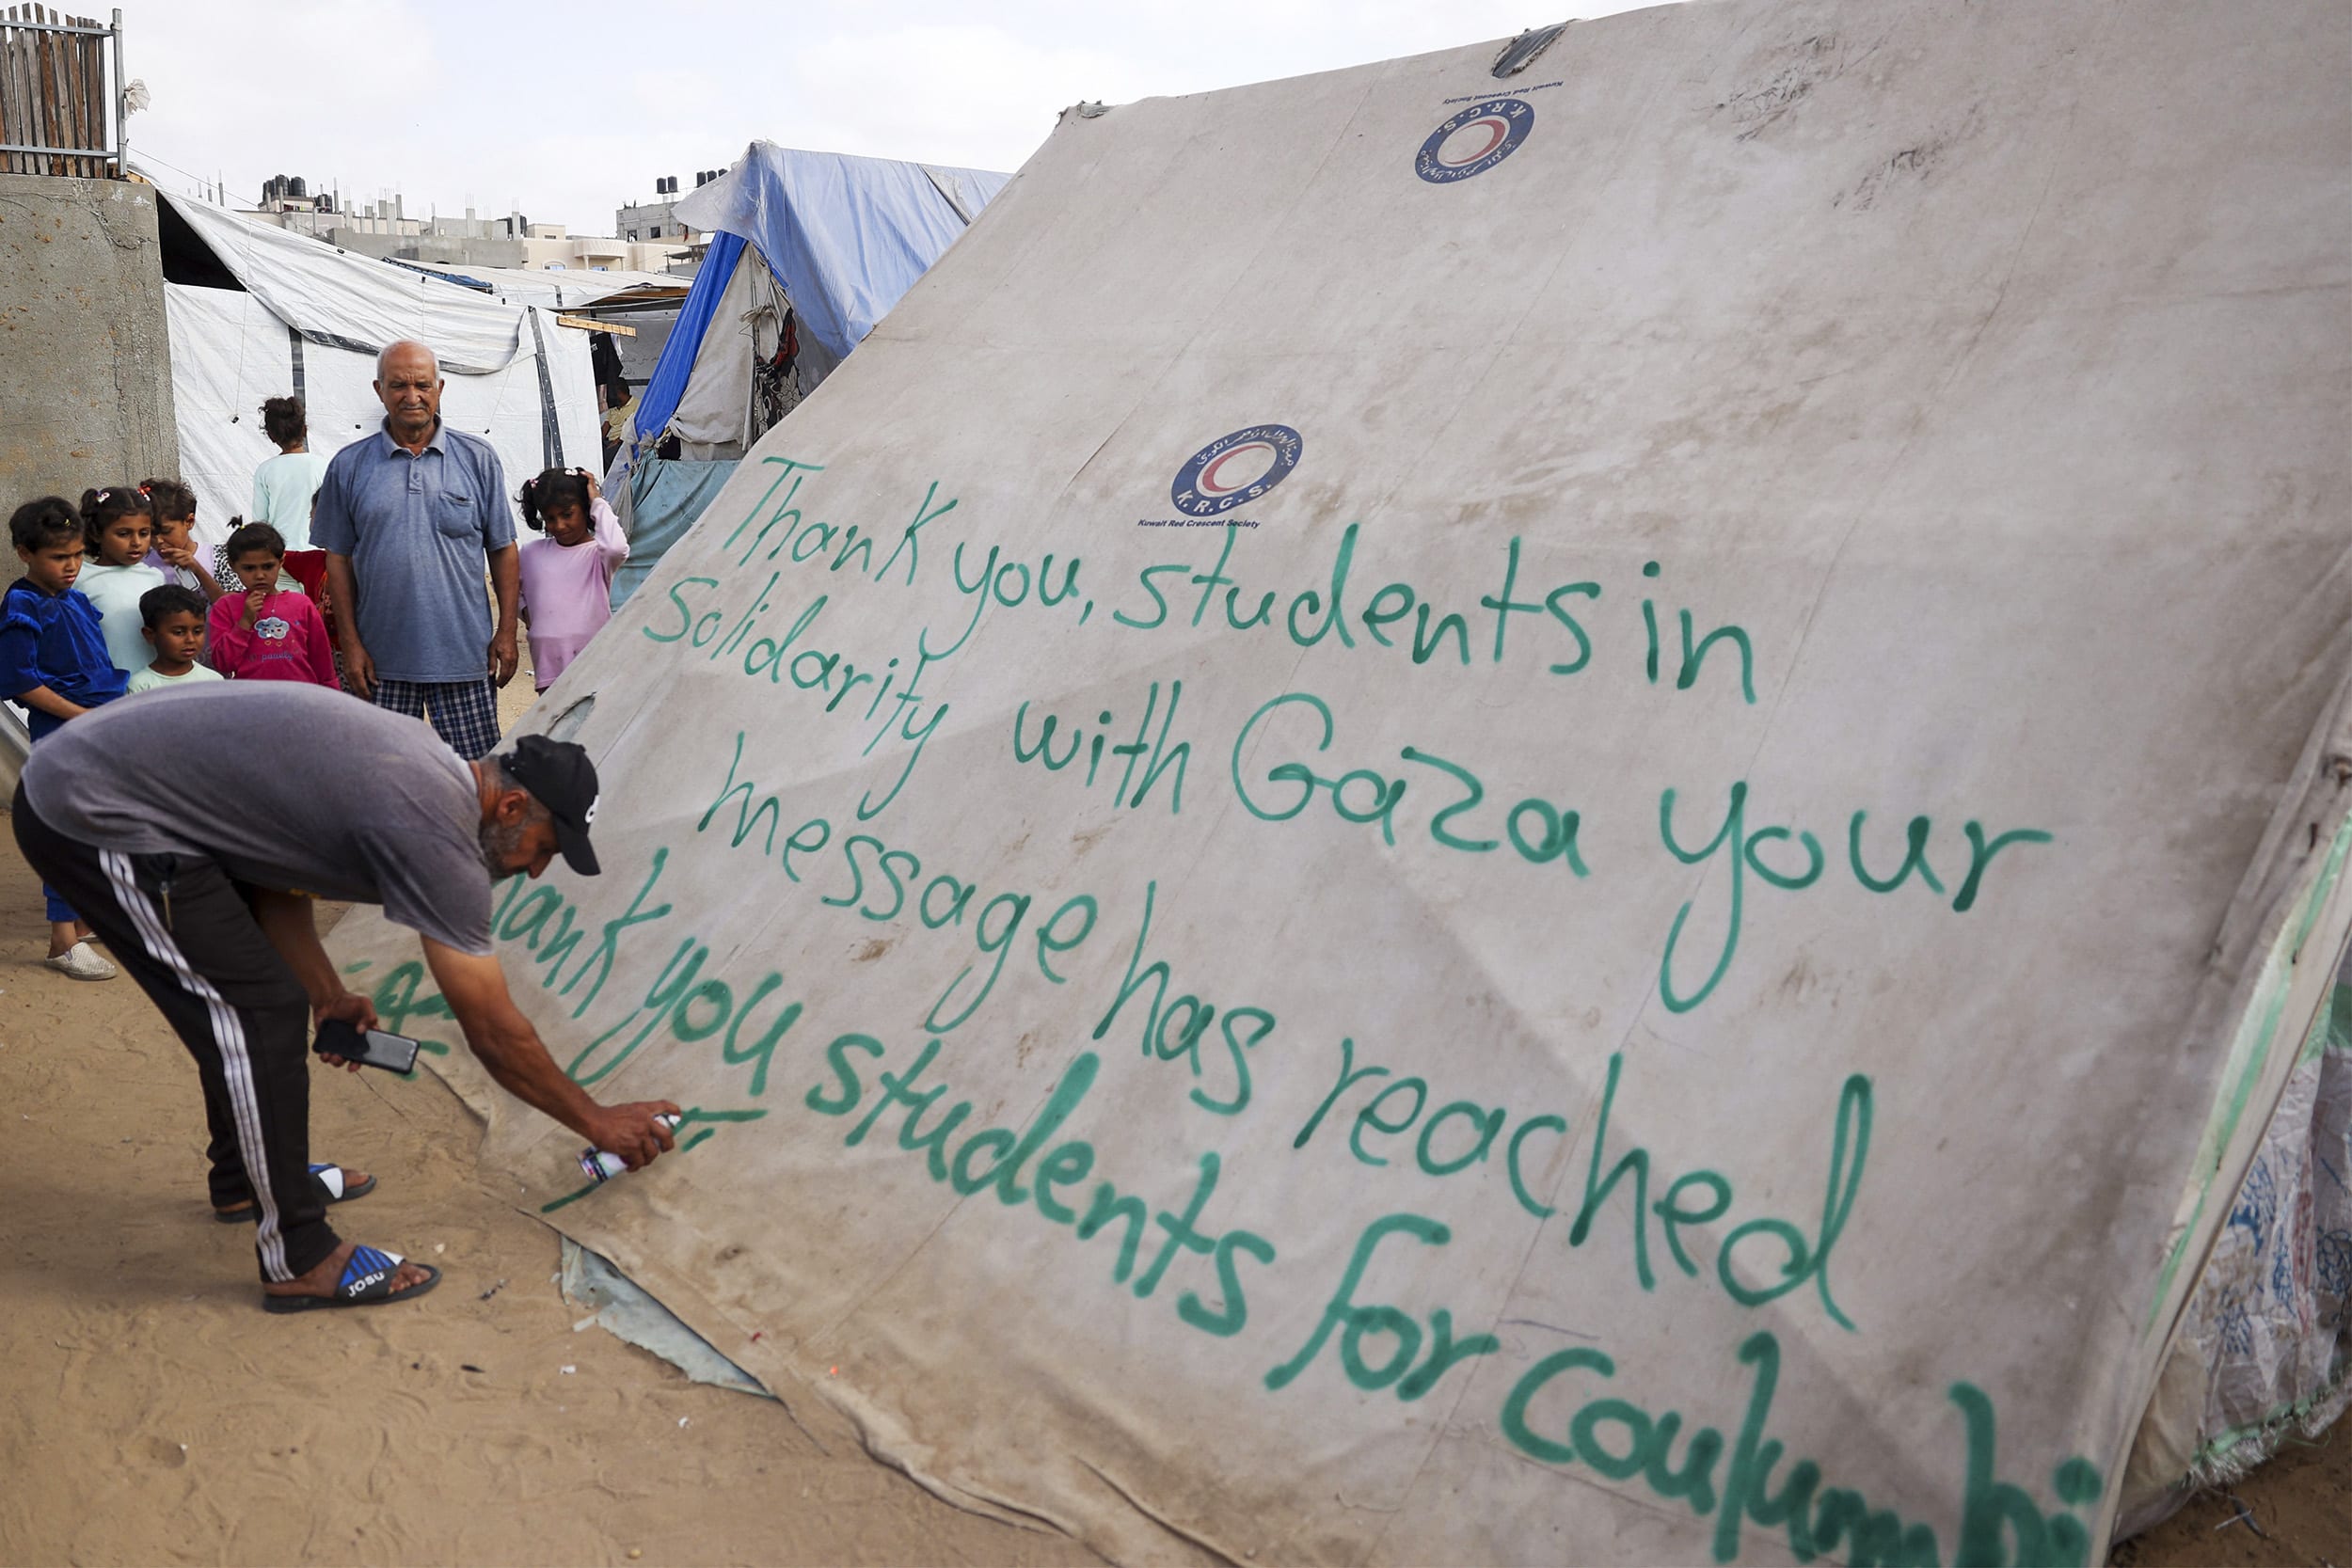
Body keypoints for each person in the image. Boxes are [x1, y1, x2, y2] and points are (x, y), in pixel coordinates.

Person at [11, 683, 680, 1311]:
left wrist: (326, 992)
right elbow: (493, 1030)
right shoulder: (435, 832)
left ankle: (249, 1177)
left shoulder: (431, 776)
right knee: (255, 1011)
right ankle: (299, 1254)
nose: (535, 869)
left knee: (266, 998)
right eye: (544, 849)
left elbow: (272, 860)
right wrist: (596, 1120)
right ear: (511, 807)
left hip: (147, 798)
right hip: (92, 809)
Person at [313, 341, 519, 758]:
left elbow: (502, 548)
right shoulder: (349, 466)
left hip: (464, 658)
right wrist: (350, 645)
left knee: (475, 781)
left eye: (422, 385)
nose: (412, 396)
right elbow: (338, 560)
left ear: (439, 388)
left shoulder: (477, 459)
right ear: (379, 390)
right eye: (398, 386)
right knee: (385, 782)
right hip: (380, 663)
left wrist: (508, 632)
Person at [0, 497, 125, 980]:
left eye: (76, 555)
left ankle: (81, 917)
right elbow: (20, 681)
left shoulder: (73, 599)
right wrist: (79, 716)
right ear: (24, 552)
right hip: (65, 731)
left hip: (99, 725)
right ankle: (61, 942)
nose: (71, 566)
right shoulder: (22, 604)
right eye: (58, 557)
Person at [516, 467, 628, 693]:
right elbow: (508, 586)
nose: (559, 526)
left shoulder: (598, 555)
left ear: (585, 509)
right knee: (554, 726)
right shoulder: (531, 553)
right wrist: (528, 613)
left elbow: (617, 547)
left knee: (593, 726)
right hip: (548, 664)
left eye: (567, 515)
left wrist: (597, 500)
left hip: (593, 661)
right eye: (550, 518)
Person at [207, 522, 340, 688]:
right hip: (251, 701)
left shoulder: (301, 604)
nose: (260, 575)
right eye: (249, 568)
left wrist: (331, 697)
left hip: (301, 700)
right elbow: (223, 664)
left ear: (281, 561)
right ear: (233, 566)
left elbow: (322, 661)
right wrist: (244, 623)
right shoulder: (226, 607)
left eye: (268, 566)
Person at [73, 485, 166, 683]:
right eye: (123, 534)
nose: (136, 542)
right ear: (97, 534)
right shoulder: (79, 579)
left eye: (144, 533)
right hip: (106, 691)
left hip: (153, 689)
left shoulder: (155, 578)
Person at [250, 396, 330, 551]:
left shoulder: (265, 471)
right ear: (304, 429)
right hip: (317, 556)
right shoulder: (324, 466)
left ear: (272, 436)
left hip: (280, 556)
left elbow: (260, 523)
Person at [125, 583, 224, 694]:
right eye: (179, 632)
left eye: (197, 631)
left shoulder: (213, 681)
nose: (191, 639)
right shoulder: (140, 686)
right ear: (150, 635)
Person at [141, 479, 227, 603]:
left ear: (189, 522)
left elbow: (232, 609)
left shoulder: (218, 557)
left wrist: (197, 569)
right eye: (150, 533)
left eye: (166, 531)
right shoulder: (141, 563)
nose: (158, 540)